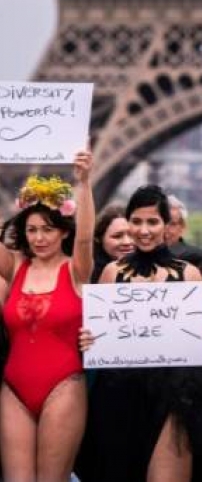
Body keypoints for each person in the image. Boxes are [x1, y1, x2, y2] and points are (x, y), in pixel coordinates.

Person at [77, 185, 202, 482]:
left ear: (167, 225)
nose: (144, 230)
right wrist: (88, 339)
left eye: (152, 221)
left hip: (174, 394)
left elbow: (200, 339)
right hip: (120, 393)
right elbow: (97, 333)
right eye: (136, 221)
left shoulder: (188, 273)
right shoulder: (112, 272)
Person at [0, 151, 94, 482]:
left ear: (64, 231)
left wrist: (83, 183)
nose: (39, 238)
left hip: (63, 386)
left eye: (48, 230)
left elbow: (86, 237)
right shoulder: (13, 267)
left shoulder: (76, 270)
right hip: (13, 388)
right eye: (32, 230)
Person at [91, 204, 134, 283]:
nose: (127, 242)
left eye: (132, 235)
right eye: (117, 236)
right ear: (99, 238)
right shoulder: (87, 270)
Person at [166, 194, 202, 267]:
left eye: (172, 224)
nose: (165, 229)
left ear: (182, 227)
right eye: (161, 222)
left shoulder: (198, 257)